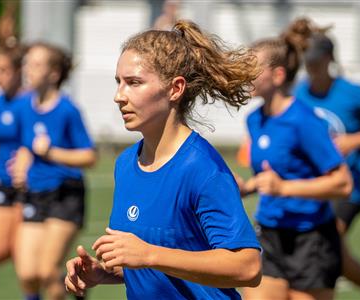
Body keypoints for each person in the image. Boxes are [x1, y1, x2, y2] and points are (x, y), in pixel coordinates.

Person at [64, 20, 262, 299]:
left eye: (134, 83)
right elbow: (154, 264)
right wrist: (103, 273)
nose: (119, 96)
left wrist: (148, 254)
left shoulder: (202, 169)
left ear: (175, 89)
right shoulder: (125, 164)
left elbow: (247, 266)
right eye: (118, 82)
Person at [236, 33, 353, 300]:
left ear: (277, 76)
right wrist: (246, 186)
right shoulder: (254, 120)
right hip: (270, 233)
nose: (245, 75)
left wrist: (285, 187)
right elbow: (271, 175)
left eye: (252, 69)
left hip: (311, 240)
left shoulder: (304, 120)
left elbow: (343, 183)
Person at [292, 18, 360, 300]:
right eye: (307, 60)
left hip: (348, 184)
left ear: (328, 58)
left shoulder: (353, 93)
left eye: (315, 60)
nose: (311, 66)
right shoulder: (298, 94)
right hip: (311, 184)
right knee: (331, 246)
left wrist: (356, 140)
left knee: (324, 241)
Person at [11, 42, 97, 300]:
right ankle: (74, 285)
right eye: (27, 64)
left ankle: (66, 284)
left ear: (54, 73)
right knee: (28, 274)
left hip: (66, 194)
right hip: (35, 193)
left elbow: (89, 156)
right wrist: (22, 161)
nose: (28, 70)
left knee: (47, 271)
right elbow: (26, 145)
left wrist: (51, 152)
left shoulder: (67, 110)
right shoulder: (24, 106)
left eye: (36, 65)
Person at [0, 44, 25, 264]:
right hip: (1, 182)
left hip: (27, 186)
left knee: (23, 256)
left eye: (3, 70)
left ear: (19, 70)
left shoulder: (31, 103)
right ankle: (50, 272)